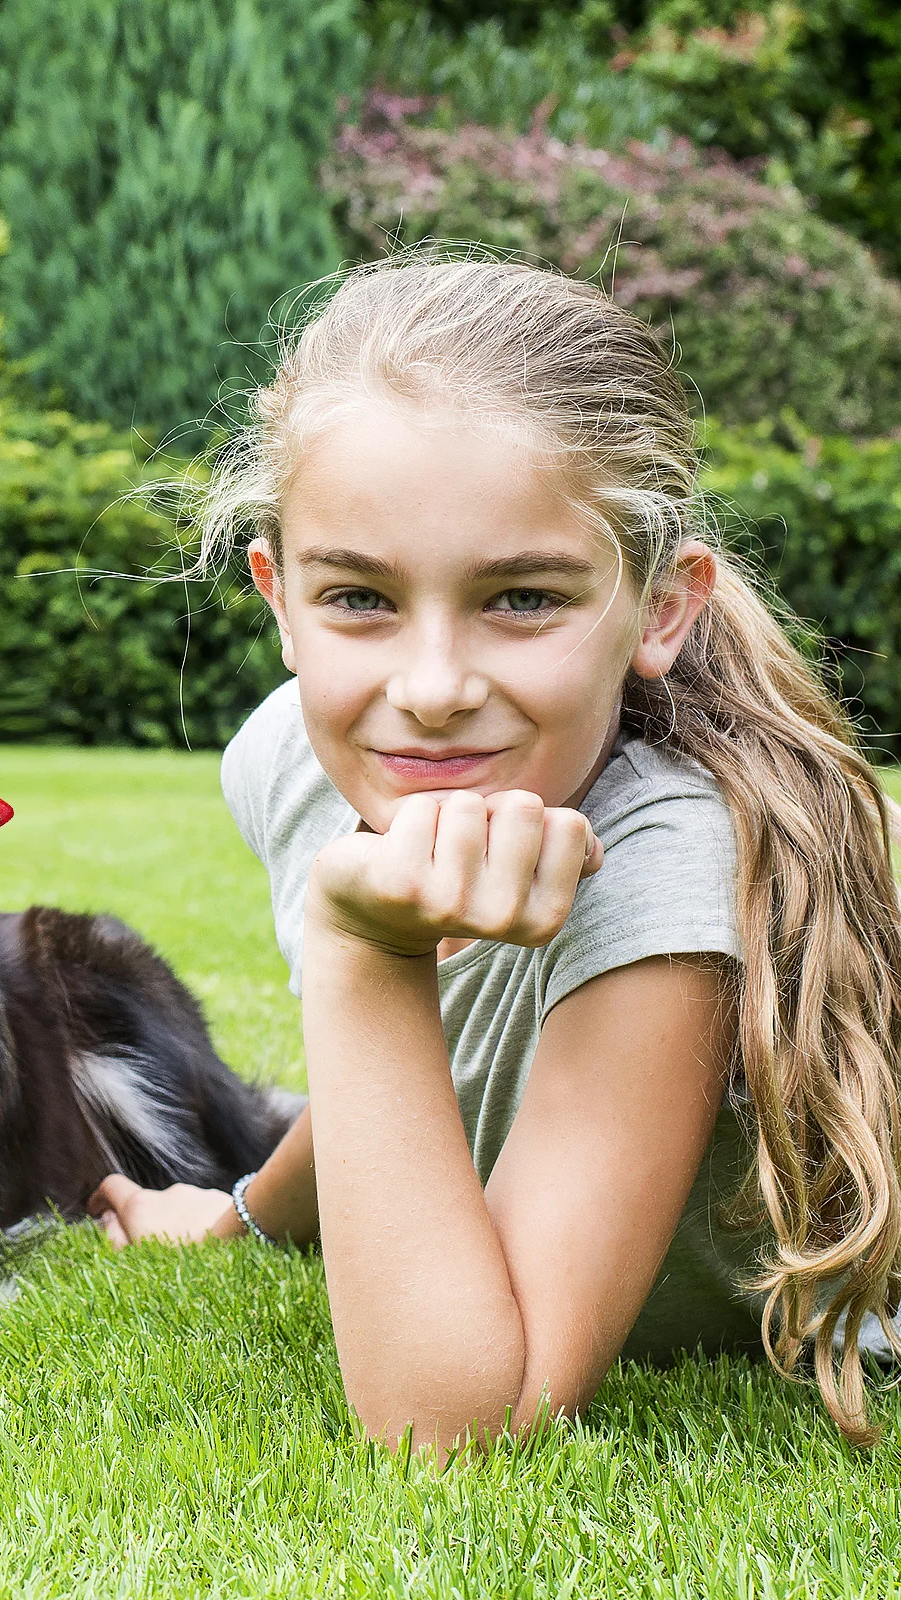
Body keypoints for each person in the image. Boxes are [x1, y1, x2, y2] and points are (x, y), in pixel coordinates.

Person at [87, 257, 901, 1452]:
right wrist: (250, 1220)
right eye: (357, 598)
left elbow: (464, 1423)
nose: (429, 691)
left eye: (522, 598)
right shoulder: (293, 761)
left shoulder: (669, 874)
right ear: (276, 597)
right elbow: (452, 1073)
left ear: (660, 609)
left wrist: (365, 955)